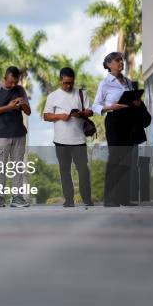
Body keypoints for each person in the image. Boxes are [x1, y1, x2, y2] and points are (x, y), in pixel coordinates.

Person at [92, 52, 150, 207]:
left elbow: (131, 100)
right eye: (117, 60)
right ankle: (110, 199)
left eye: (121, 60)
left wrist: (136, 102)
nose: (121, 62)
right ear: (109, 64)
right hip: (114, 121)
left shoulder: (128, 82)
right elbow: (95, 105)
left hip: (129, 123)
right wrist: (109, 107)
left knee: (126, 161)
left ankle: (123, 198)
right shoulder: (105, 83)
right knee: (115, 159)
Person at [43, 67, 94, 207]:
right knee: (64, 171)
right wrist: (60, 116)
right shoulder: (53, 96)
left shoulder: (82, 93)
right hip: (60, 141)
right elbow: (46, 116)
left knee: (83, 170)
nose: (68, 85)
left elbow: (90, 112)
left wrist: (81, 114)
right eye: (65, 83)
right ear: (60, 81)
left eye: (71, 82)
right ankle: (69, 200)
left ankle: (87, 199)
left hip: (79, 140)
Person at [0, 66, 31, 208]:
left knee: (18, 167)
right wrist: (9, 107)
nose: (12, 85)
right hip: (0, 135)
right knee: (0, 167)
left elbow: (28, 112)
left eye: (15, 83)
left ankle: (17, 197)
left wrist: (23, 104)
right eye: (10, 82)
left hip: (18, 134)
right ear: (5, 78)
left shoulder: (20, 90)